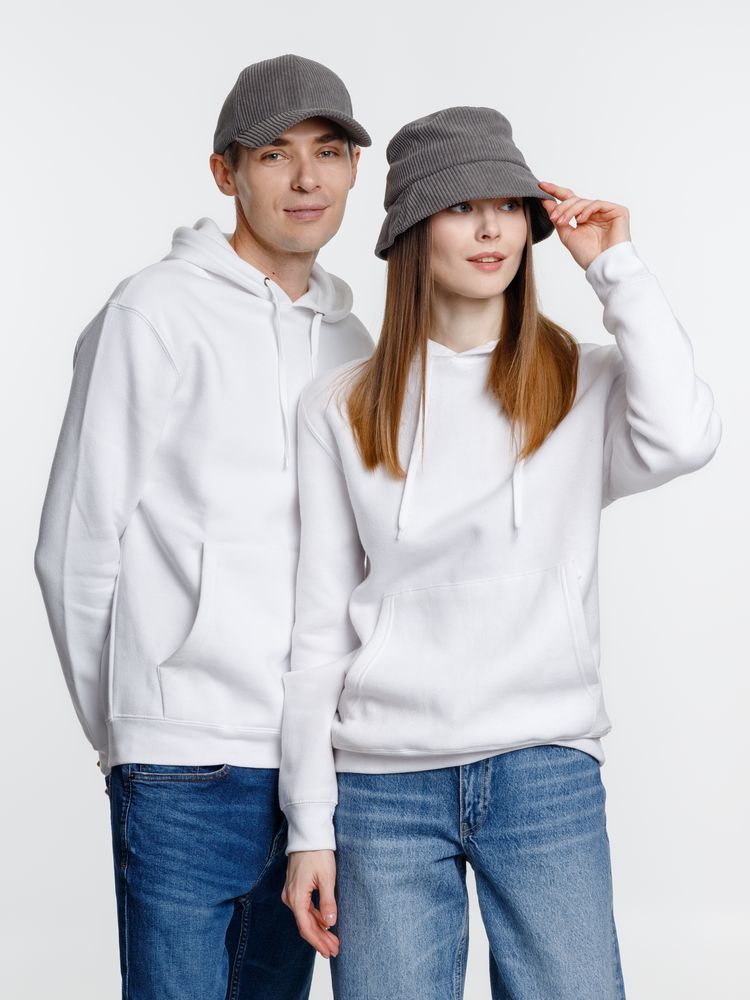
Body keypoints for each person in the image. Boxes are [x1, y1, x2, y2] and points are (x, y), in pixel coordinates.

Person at [278, 106, 722, 999]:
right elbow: (319, 626)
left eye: (509, 206)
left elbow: (685, 437)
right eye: (461, 207)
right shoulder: (340, 405)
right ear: (412, 230)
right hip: (384, 788)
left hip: (543, 767)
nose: (491, 229)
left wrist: (616, 268)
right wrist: (309, 825)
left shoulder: (582, 380)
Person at [33, 53, 373, 1000]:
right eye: (274, 154)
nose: (305, 178)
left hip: (317, 768)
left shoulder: (355, 344)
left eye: (329, 152)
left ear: (354, 170)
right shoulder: (152, 312)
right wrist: (133, 726)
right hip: (184, 763)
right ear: (226, 172)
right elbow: (73, 549)